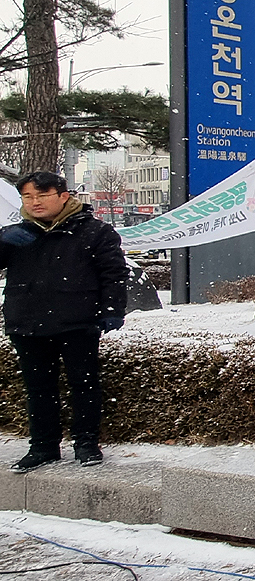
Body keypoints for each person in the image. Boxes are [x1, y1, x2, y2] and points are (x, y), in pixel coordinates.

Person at [1, 171, 128, 473]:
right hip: (27, 322)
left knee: (83, 383)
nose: (35, 203)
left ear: (63, 196)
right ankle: (43, 446)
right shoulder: (17, 235)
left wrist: (112, 309)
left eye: (42, 195)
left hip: (77, 320)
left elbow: (113, 273)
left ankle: (86, 443)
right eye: (28, 197)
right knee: (38, 388)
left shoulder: (95, 232)